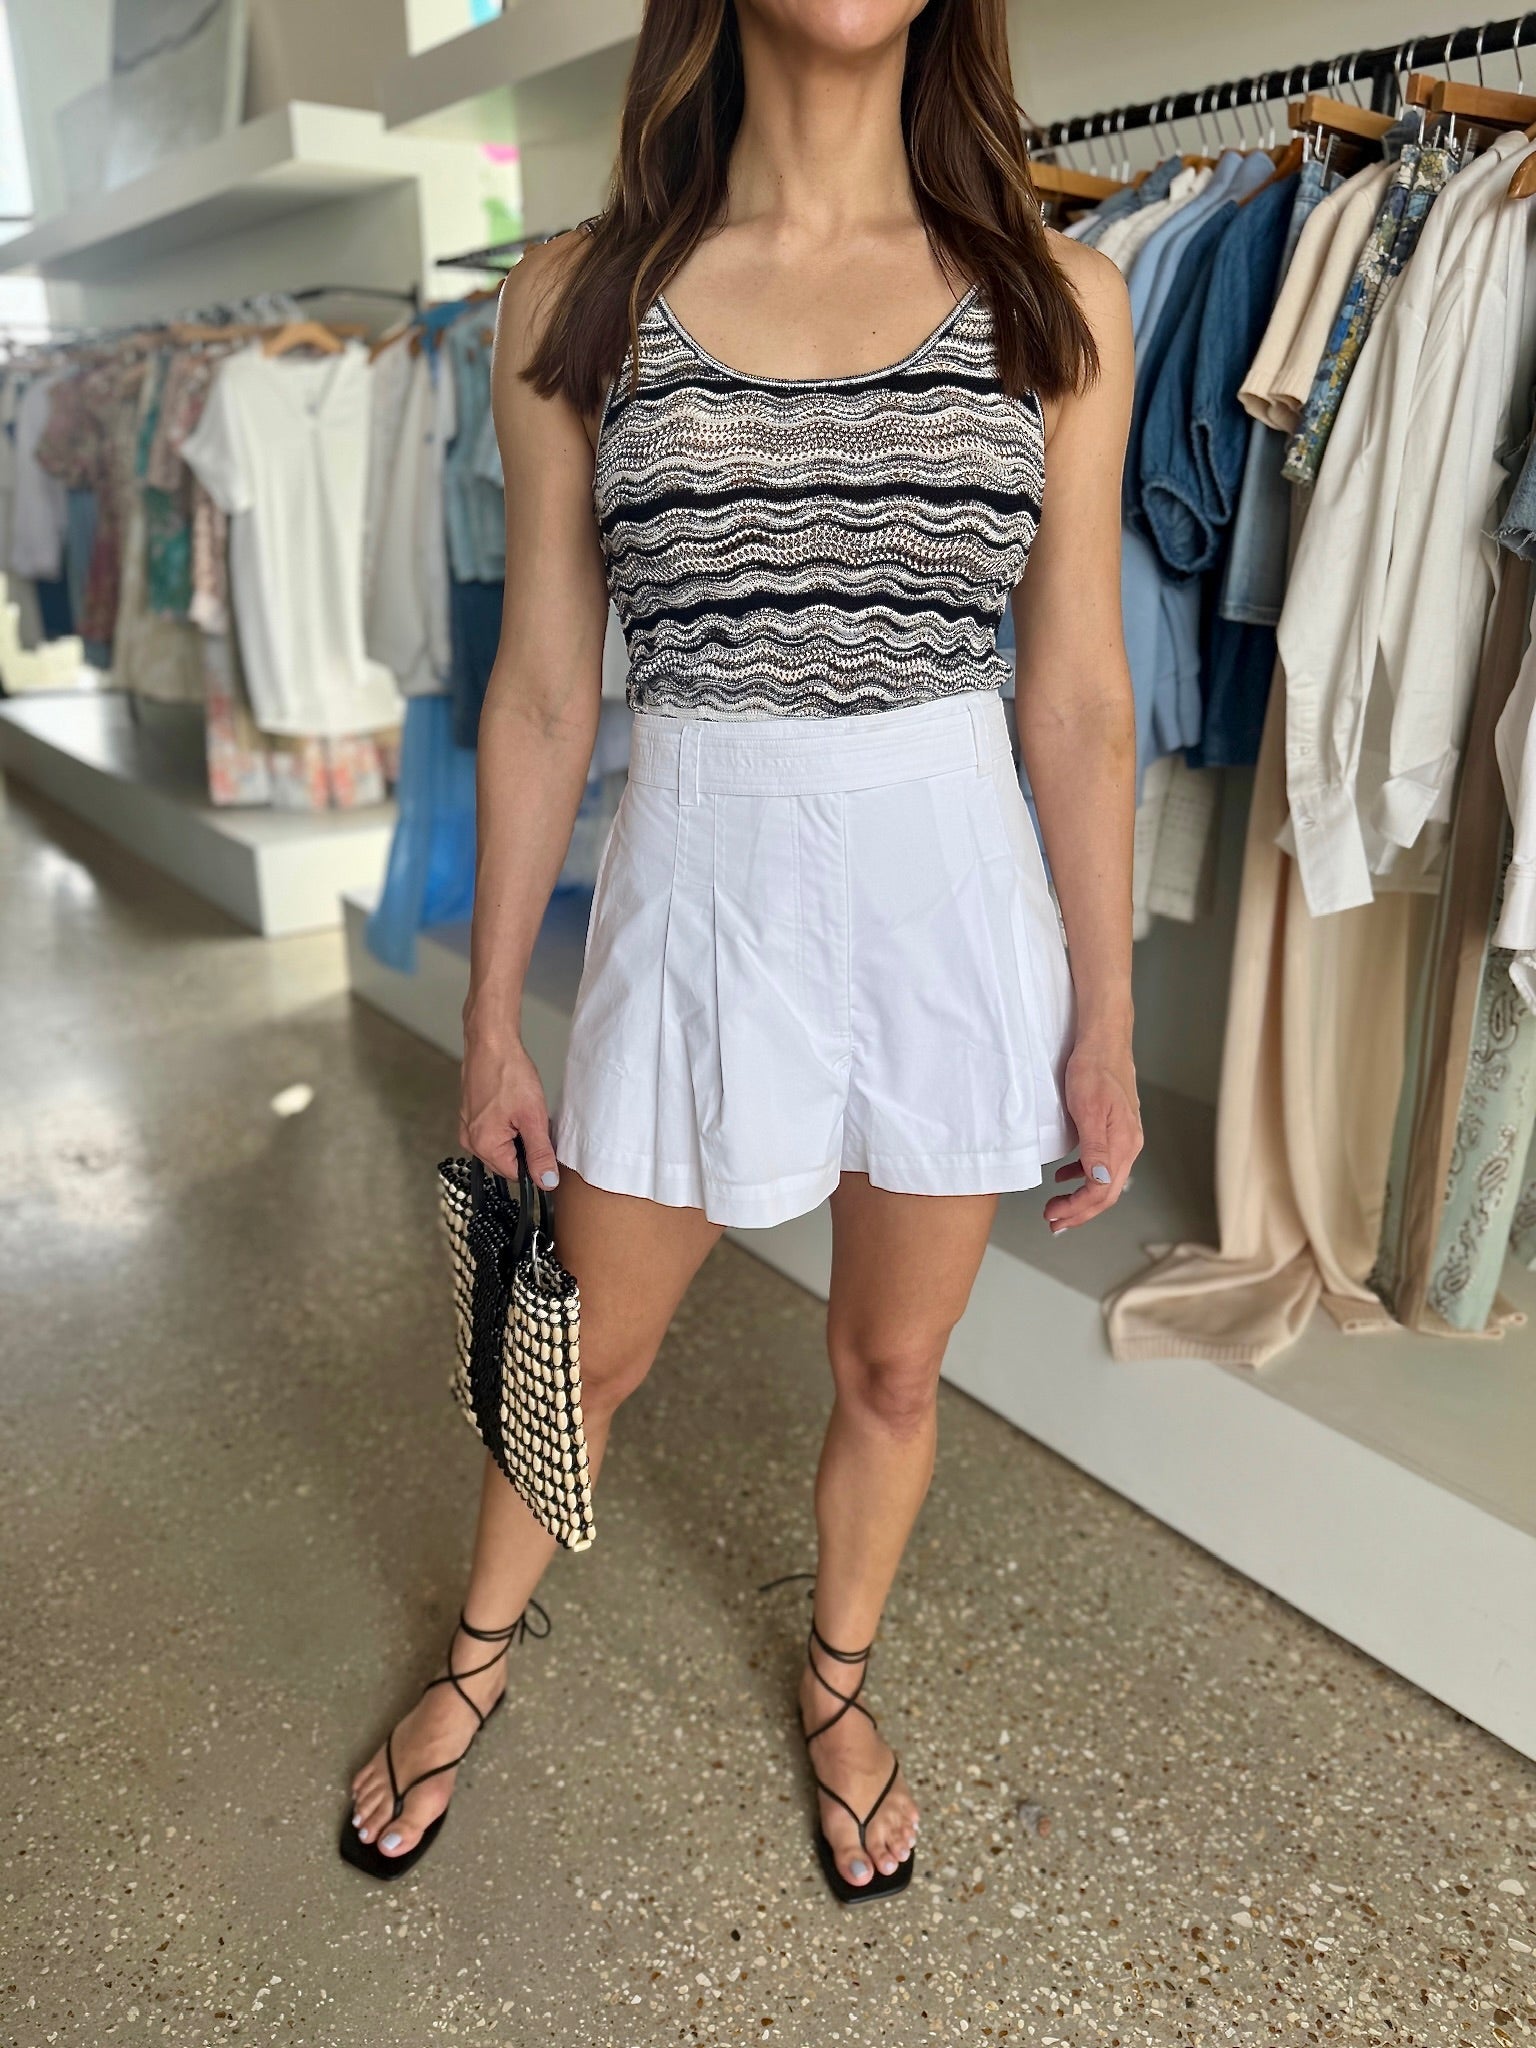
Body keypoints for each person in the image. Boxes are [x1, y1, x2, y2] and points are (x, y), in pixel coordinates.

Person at [345, 0, 1140, 1900]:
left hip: (951, 904)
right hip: (701, 889)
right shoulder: (579, 297)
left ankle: (838, 1682)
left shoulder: (1058, 298)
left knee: (893, 1368)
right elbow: (544, 691)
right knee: (582, 1350)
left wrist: (1104, 1018)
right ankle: (474, 1658)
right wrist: (490, 1021)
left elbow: (1080, 696)